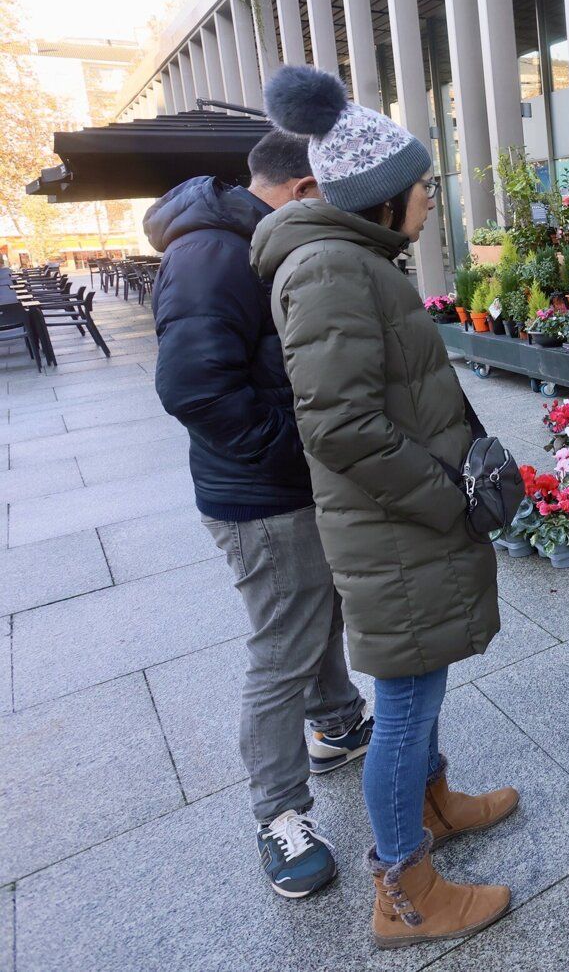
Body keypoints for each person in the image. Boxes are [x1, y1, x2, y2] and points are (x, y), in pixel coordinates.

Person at [252, 65, 515, 949]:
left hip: (401, 522)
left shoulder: (352, 259)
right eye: (425, 186)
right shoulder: (330, 268)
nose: (433, 200)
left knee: (423, 679)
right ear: (382, 195)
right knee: (402, 702)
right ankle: (403, 889)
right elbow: (338, 424)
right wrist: (445, 497)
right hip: (396, 525)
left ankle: (434, 807)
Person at [146, 135, 372, 900]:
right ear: (304, 185)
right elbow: (193, 390)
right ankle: (279, 815)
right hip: (260, 495)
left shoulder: (246, 238)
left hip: (283, 483)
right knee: (283, 644)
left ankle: (337, 722)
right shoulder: (213, 253)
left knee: (318, 609)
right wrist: (291, 459)